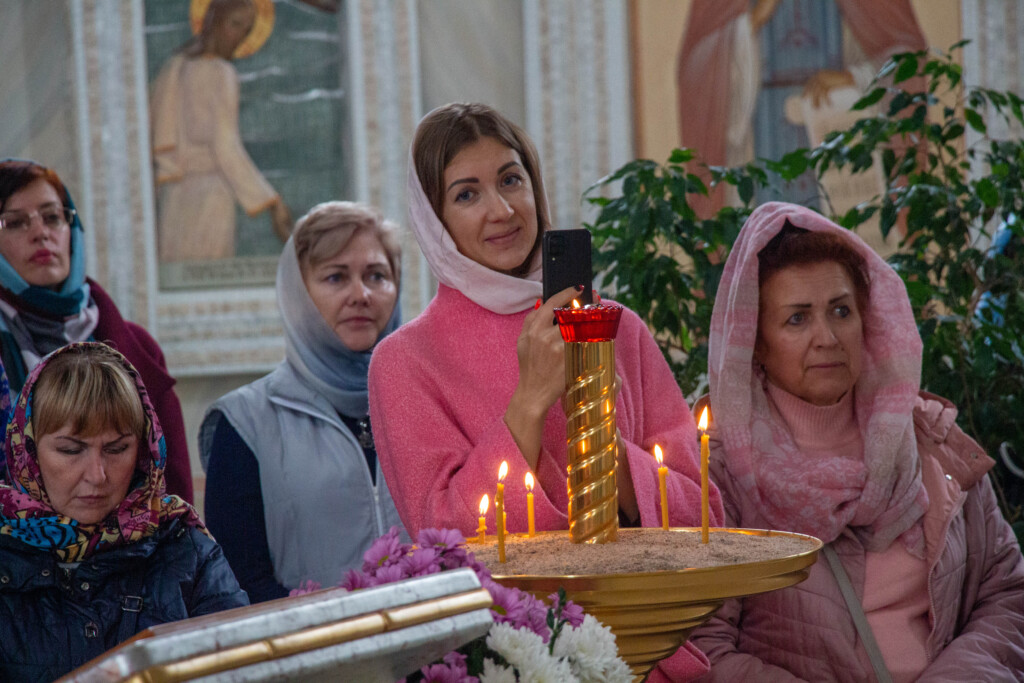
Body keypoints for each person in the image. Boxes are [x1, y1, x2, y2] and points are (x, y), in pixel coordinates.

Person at [368, 103, 724, 680]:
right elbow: (446, 541)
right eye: (467, 194)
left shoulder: (619, 327)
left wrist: (603, 440)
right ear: (434, 220)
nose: (502, 210)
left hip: (647, 645)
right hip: (513, 659)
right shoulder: (406, 361)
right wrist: (531, 400)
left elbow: (706, 513)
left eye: (511, 179)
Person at [689, 202, 1024, 681]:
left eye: (841, 311)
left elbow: (1006, 594)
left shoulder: (932, 441)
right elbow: (703, 650)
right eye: (797, 319)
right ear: (755, 342)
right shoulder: (718, 473)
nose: (827, 337)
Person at [0, 343, 247, 681]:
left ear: (143, 449)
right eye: (70, 450)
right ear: (27, 451)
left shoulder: (185, 549)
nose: (97, 475)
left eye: (117, 449)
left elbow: (242, 669)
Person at [200, 201, 405, 602]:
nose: (361, 294)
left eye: (376, 275)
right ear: (298, 293)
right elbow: (240, 585)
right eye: (336, 277)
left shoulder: (425, 401)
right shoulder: (244, 421)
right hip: (309, 640)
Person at [0, 159, 193, 502]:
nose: (41, 233)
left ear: (72, 229)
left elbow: (172, 493)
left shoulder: (136, 346)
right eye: (15, 222)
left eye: (52, 217)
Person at [150, 0, 292, 262]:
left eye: (246, 31)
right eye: (235, 24)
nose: (238, 37)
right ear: (213, 19)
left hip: (172, 200)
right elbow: (225, 146)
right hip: (210, 197)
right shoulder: (221, 72)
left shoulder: (172, 67)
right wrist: (272, 202)